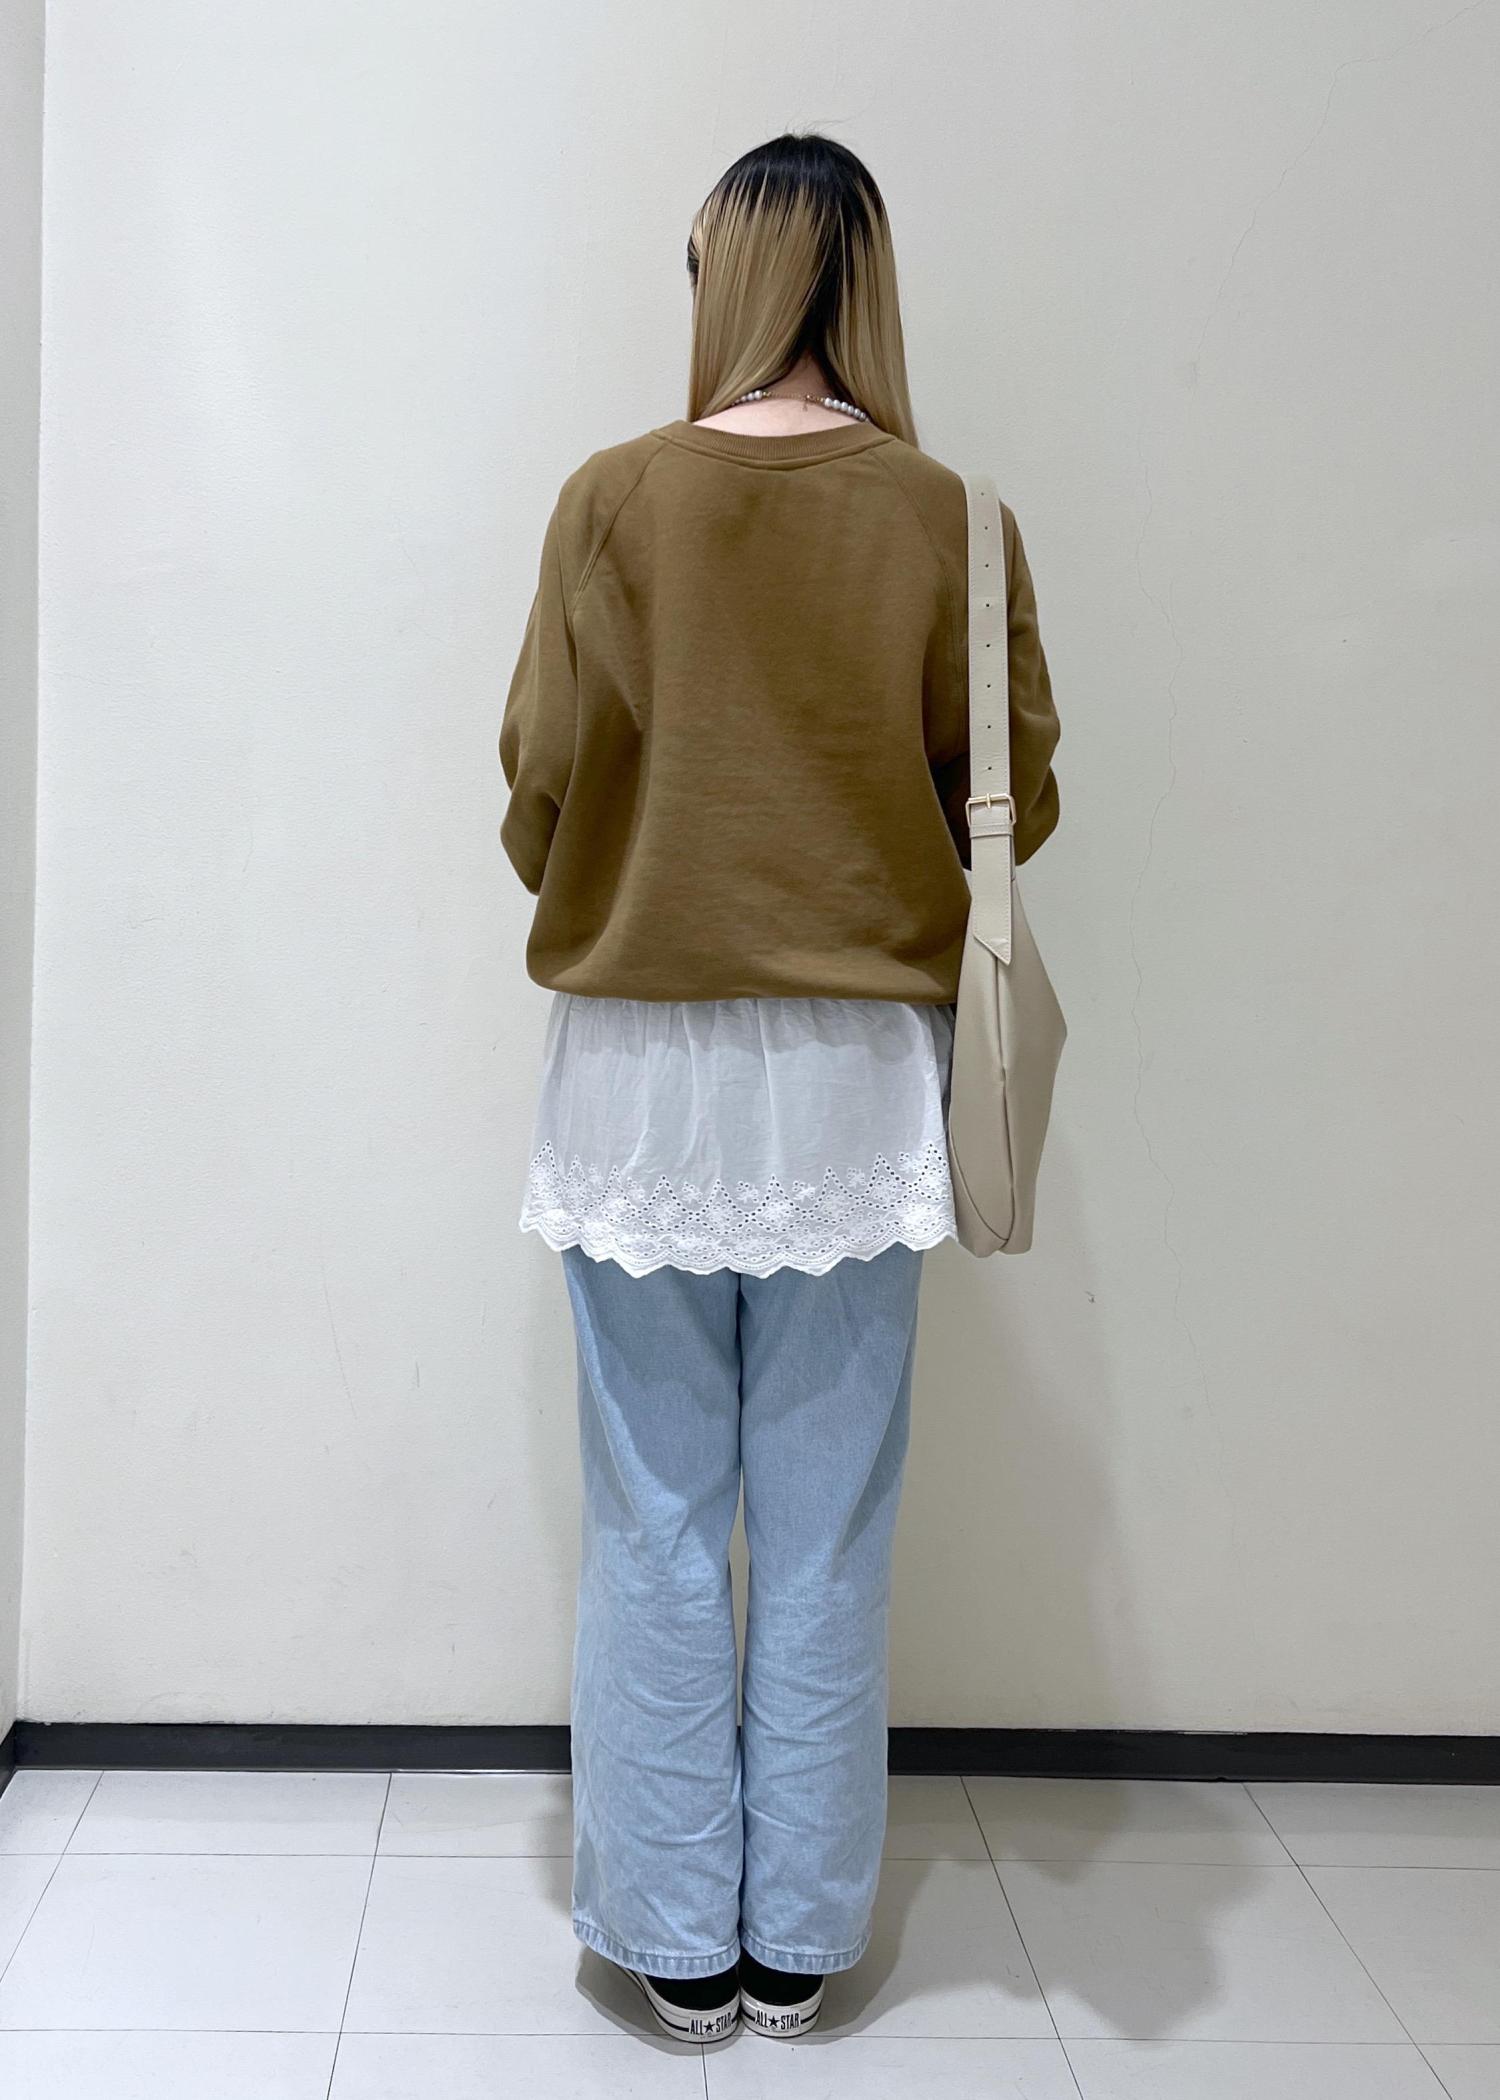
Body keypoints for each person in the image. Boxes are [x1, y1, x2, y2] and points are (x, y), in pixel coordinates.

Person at [498, 130, 1060, 2046]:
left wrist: (653, 861)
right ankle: (800, 1935)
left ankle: (673, 1934)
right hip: (854, 1077)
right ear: (869, 282)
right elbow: (1018, 796)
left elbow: (539, 783)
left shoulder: (610, 500)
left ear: (719, 278)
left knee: (654, 1506)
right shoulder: (954, 517)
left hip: (641, 1073)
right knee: (826, 1517)